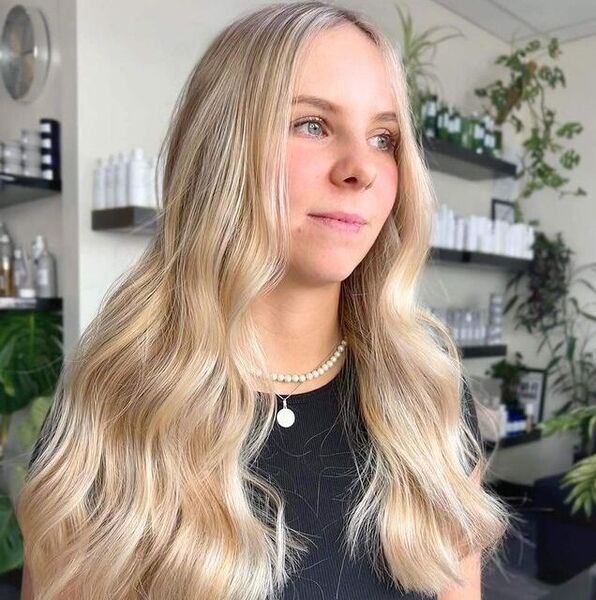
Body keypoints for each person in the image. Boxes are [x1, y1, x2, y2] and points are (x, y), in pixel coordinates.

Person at [17, 2, 511, 599]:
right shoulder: (114, 415)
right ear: (221, 150)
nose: (362, 168)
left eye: (384, 138)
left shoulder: (427, 398)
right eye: (312, 124)